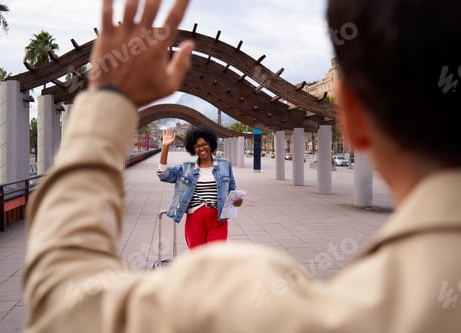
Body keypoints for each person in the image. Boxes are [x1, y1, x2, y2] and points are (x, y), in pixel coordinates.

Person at [23, 0, 461, 332]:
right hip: (197, 219)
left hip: (217, 226)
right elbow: (164, 173)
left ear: (350, 118)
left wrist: (108, 103)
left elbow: (65, 303)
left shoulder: (256, 301)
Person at [157, 126, 243, 249]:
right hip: (195, 218)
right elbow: (163, 175)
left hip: (218, 219)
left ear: (211, 144)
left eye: (204, 144)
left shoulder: (225, 165)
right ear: (193, 149)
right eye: (197, 146)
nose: (201, 148)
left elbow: (232, 190)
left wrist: (237, 202)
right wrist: (165, 147)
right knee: (198, 259)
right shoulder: (187, 168)